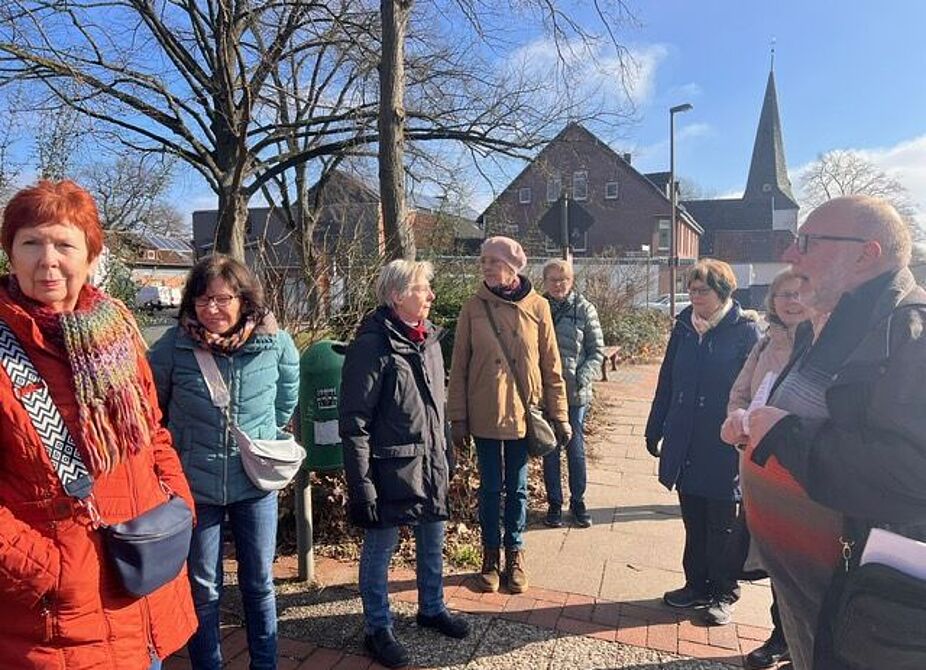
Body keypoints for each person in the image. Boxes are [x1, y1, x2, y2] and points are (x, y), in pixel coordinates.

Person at [0, 180, 196, 669]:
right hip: (59, 618)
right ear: (11, 255)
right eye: (31, 243)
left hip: (143, 584)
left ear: (90, 256)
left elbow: (152, 432)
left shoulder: (119, 332)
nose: (48, 260)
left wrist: (177, 499)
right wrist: (49, 570)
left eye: (65, 244)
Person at [745, 195, 926, 670]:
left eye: (807, 242)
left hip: (863, 613)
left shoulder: (912, 333)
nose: (790, 255)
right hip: (809, 599)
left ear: (867, 254)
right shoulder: (827, 322)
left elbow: (912, 473)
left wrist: (783, 433)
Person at [149, 255, 299, 670]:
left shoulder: (275, 344)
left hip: (254, 484)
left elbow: (286, 399)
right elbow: (152, 410)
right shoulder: (172, 347)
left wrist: (263, 436)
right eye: (202, 299)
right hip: (196, 487)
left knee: (259, 583)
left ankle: (264, 664)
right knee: (203, 588)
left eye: (222, 298)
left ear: (244, 299)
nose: (211, 309)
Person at [340, 260, 471, 669]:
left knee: (434, 537)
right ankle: (377, 628)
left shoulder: (429, 340)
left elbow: (436, 404)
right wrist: (362, 487)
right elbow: (355, 422)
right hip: (389, 469)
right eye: (422, 288)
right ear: (397, 295)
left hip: (430, 462)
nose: (431, 295)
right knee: (381, 547)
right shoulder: (372, 345)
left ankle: (431, 607)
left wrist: (446, 451)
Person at [448, 236, 570, 595]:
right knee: (489, 489)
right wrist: (457, 416)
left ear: (512, 266)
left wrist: (560, 413)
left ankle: (514, 554)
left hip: (522, 413)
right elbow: (459, 365)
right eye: (483, 261)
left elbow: (552, 364)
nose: (485, 267)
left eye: (493, 261)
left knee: (516, 490)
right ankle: (489, 557)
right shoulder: (473, 306)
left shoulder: (538, 306)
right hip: (484, 411)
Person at [644, 258, 760, 626]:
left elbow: (756, 390)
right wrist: (655, 425)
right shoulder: (682, 328)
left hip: (723, 443)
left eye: (702, 290)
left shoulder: (745, 332)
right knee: (693, 518)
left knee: (722, 523)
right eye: (691, 289)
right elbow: (667, 380)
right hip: (686, 438)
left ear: (723, 292)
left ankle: (723, 592)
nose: (694, 296)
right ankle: (695, 584)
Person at [719, 269, 811, 665]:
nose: (790, 301)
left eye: (798, 293)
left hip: (801, 471)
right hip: (759, 464)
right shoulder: (765, 343)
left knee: (801, 561)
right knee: (775, 557)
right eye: (783, 294)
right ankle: (781, 637)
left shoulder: (821, 343)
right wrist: (738, 419)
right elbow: (740, 393)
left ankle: (799, 643)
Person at [540, 259, 604, 528]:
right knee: (550, 449)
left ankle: (578, 501)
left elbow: (596, 351)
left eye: (563, 279)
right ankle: (554, 503)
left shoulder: (584, 309)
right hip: (545, 393)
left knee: (575, 449)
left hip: (576, 394)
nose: (558, 285)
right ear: (544, 281)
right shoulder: (536, 307)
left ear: (571, 281)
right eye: (553, 279)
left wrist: (581, 378)